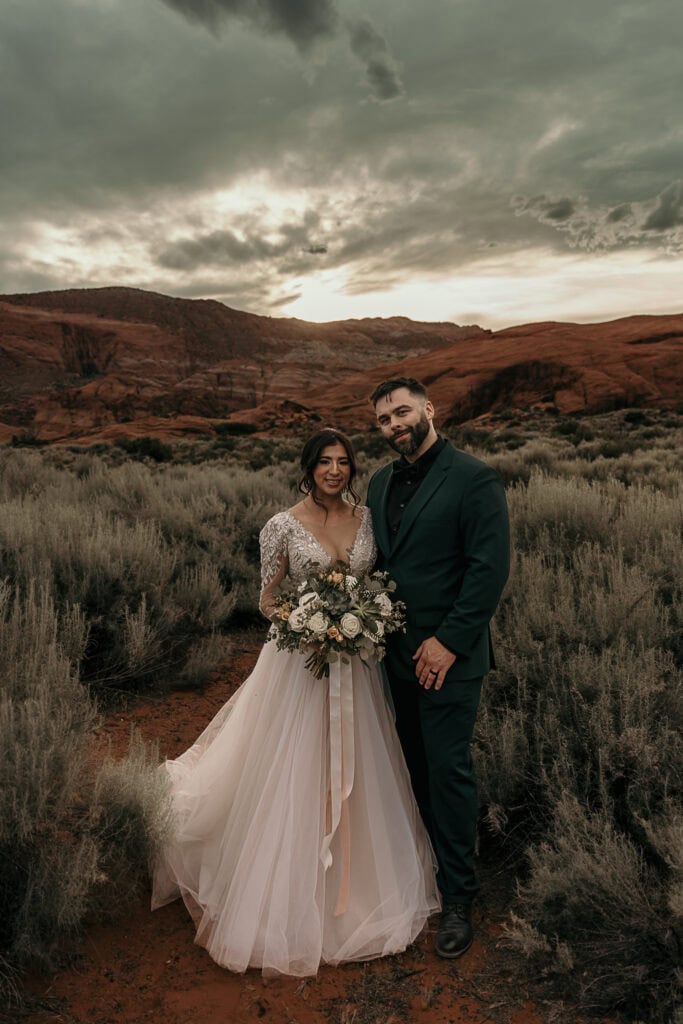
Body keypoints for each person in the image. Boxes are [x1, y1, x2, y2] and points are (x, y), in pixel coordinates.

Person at [151, 427, 439, 976]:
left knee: (360, 764)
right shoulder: (279, 526)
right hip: (300, 666)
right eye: (325, 462)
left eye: (344, 462)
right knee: (295, 764)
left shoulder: (367, 520)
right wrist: (305, 623)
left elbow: (375, 581)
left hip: (355, 665)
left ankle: (353, 885)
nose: (336, 470)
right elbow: (267, 597)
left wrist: (363, 619)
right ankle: (284, 882)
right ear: (307, 467)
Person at [366, 379, 510, 959]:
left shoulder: (474, 478)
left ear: (429, 410)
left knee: (448, 772)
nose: (394, 424)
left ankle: (457, 898)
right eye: (383, 419)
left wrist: (448, 642)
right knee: (409, 767)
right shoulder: (377, 482)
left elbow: (487, 571)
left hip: (449, 660)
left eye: (402, 412)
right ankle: (418, 874)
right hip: (390, 655)